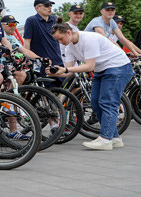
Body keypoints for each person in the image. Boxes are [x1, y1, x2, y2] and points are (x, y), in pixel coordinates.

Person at [50, 22, 133, 150]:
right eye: (57, 40)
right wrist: (56, 72)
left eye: (61, 38)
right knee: (95, 103)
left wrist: (65, 70)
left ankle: (105, 139)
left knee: (107, 102)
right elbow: (69, 70)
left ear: (68, 32)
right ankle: (115, 138)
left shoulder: (88, 39)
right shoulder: (69, 47)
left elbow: (89, 66)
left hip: (118, 67)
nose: (60, 42)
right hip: (102, 70)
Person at [23, 0, 65, 71]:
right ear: (37, 8)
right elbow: (27, 43)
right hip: (41, 64)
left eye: (50, 5)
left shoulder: (54, 19)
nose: (50, 7)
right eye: (46, 5)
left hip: (58, 62)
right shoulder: (31, 20)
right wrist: (27, 60)